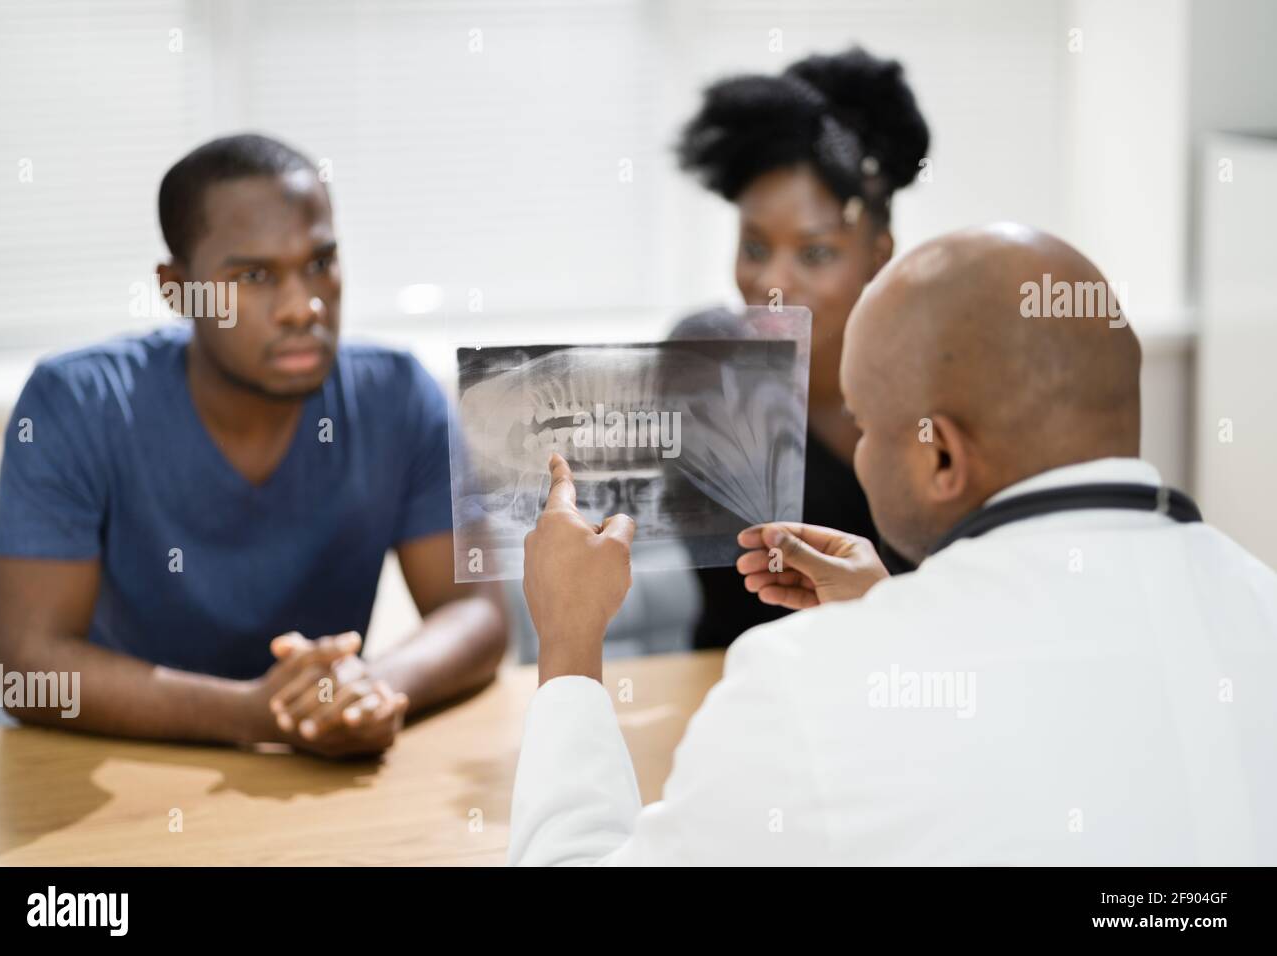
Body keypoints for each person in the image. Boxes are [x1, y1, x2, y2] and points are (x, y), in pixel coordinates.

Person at [509, 225, 1277, 865]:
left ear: (938, 455)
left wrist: (569, 645)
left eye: (864, 422)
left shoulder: (805, 687)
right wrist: (896, 612)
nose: (858, 450)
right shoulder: (1260, 604)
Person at [0, 134, 507, 759]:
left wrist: (372, 688)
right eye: (253, 276)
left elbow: (477, 612)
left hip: (319, 784)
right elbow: (30, 673)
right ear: (178, 290)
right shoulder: (76, 403)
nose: (302, 306)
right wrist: (249, 714)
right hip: (125, 770)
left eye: (319, 263)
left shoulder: (398, 394)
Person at [671, 47, 930, 649]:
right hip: (729, 686)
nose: (772, 284)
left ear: (878, 253)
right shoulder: (704, 366)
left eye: (815, 254)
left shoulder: (933, 399)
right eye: (755, 248)